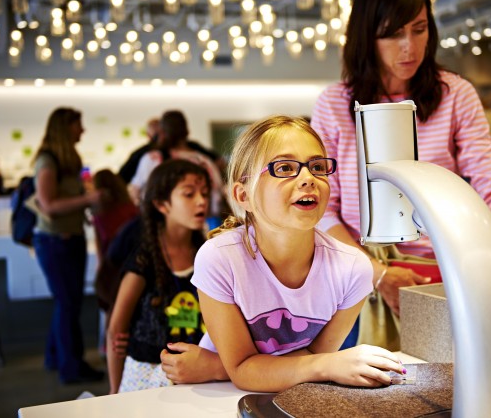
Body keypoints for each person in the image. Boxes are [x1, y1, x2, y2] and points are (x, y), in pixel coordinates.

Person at [310, 0, 491, 320]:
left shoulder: (455, 94)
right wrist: (377, 273)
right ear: (366, 36)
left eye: (419, 29)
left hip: (441, 268)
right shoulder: (335, 104)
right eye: (393, 33)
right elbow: (324, 211)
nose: (409, 46)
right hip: (356, 273)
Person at [191, 116, 405, 393]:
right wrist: (329, 364)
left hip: (283, 395)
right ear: (243, 196)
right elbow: (246, 369)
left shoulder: (353, 269)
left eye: (317, 166)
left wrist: (217, 367)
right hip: (213, 396)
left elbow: (311, 362)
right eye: (284, 168)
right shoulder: (219, 259)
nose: (308, 178)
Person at [106, 159, 214, 394]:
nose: (201, 201)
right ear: (161, 204)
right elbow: (116, 331)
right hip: (147, 375)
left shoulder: (209, 255)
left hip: (198, 373)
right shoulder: (145, 260)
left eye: (204, 193)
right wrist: (113, 393)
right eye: (189, 194)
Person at [30, 107, 104, 384]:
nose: (82, 130)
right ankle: (71, 367)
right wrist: (88, 200)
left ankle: (56, 357)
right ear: (65, 128)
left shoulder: (65, 160)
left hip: (67, 240)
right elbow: (48, 205)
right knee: (67, 304)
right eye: (78, 125)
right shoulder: (48, 161)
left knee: (66, 302)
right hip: (55, 242)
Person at [128, 110, 226, 220]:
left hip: (160, 223)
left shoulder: (152, 159)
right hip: (204, 223)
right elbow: (218, 199)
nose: (200, 201)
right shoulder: (204, 161)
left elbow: (135, 193)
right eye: (189, 194)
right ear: (187, 132)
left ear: (161, 132)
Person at [90, 169, 139, 355]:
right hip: (130, 265)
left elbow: (99, 247)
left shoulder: (98, 214)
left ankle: (108, 348)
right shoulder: (131, 209)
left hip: (111, 266)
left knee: (111, 310)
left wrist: (102, 269)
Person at [119, 115, 225, 185]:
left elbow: (130, 184)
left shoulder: (150, 157)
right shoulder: (202, 157)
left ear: (162, 133)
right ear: (186, 131)